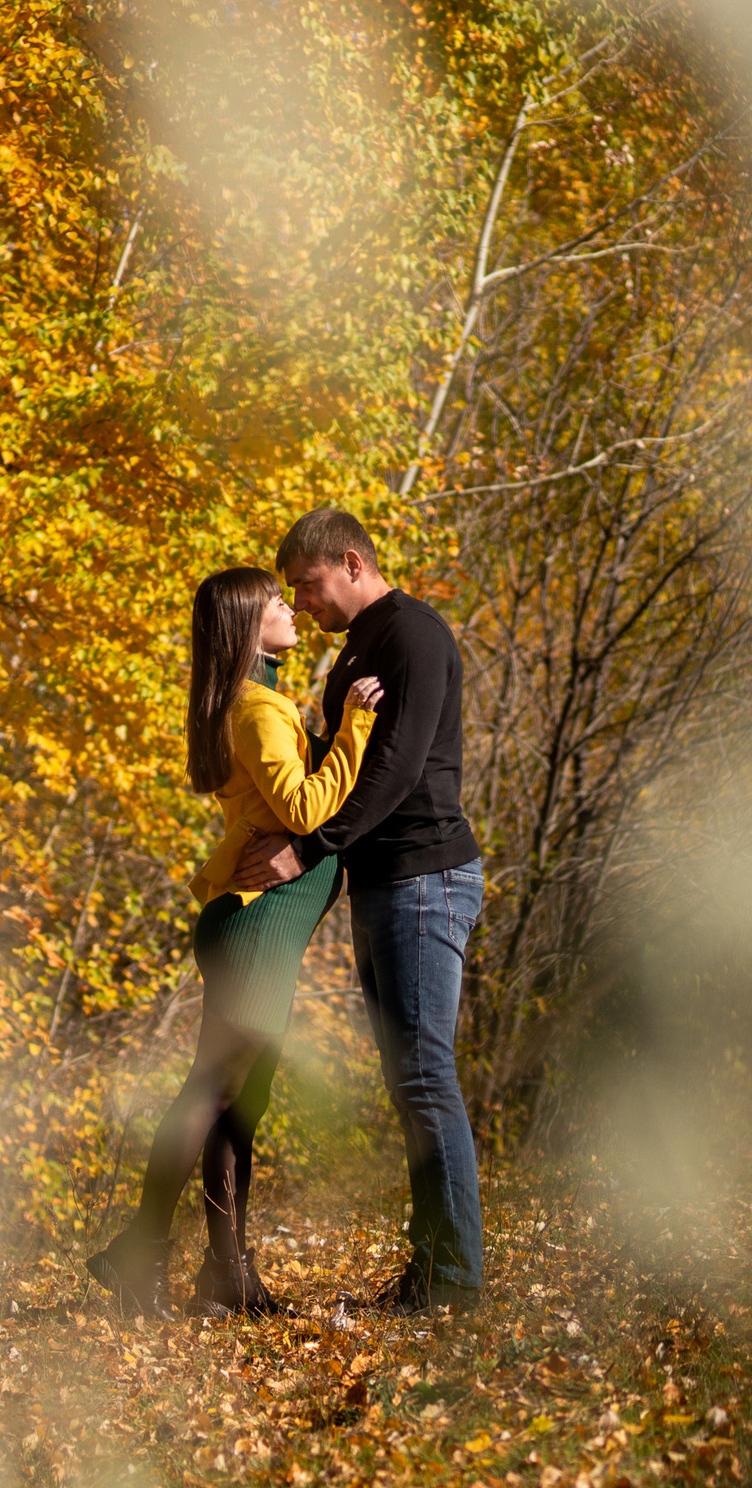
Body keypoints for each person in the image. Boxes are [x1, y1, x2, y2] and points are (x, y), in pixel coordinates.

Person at [86, 566, 386, 1319]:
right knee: (215, 1091)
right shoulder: (256, 710)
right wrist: (354, 726)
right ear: (250, 625)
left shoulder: (261, 702)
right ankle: (139, 1254)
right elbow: (307, 808)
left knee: (238, 1102)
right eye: (278, 602)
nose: (291, 608)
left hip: (259, 924)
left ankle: (228, 1274)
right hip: (256, 924)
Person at [230, 508, 486, 1314]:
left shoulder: (411, 635)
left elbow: (401, 769)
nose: (301, 605)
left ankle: (452, 1285)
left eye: (306, 586)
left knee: (423, 1075)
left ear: (350, 562)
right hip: (385, 883)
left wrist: (306, 851)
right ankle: (433, 1272)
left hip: (425, 877)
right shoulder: (358, 645)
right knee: (408, 1079)